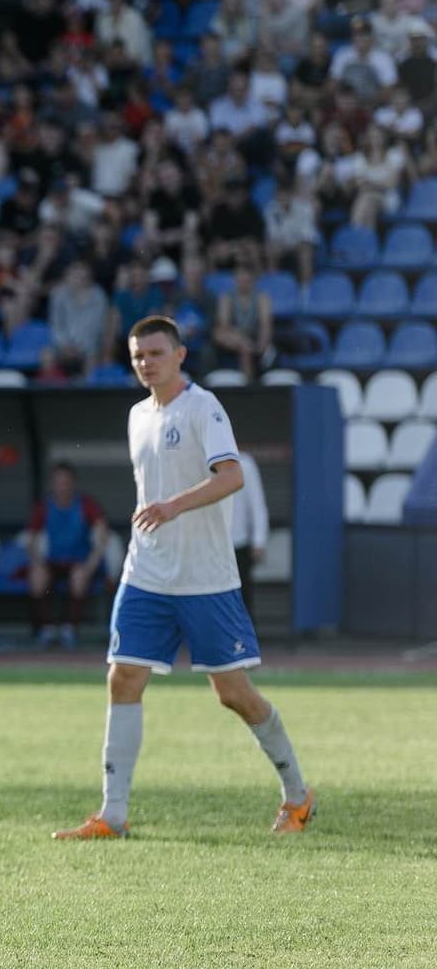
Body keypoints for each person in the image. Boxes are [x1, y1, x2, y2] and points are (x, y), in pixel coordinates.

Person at [54, 317, 314, 840]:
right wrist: (158, 517)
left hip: (205, 578)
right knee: (123, 677)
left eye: (155, 353)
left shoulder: (204, 407)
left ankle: (297, 795)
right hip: (146, 572)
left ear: (180, 355)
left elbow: (231, 476)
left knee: (233, 693)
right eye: (137, 356)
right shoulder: (137, 416)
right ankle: (112, 815)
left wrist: (173, 506)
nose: (145, 363)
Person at [27, 462, 110, 649]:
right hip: (52, 562)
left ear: (73, 483)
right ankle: (47, 629)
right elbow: (30, 540)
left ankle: (69, 629)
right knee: (37, 577)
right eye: (58, 482)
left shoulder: (86, 504)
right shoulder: (44, 506)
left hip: (78, 561)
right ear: (52, 484)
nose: (62, 487)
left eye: (66, 482)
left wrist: (90, 565)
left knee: (79, 577)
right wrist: (36, 562)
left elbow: (102, 534)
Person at [230, 449, 269, 621]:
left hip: (239, 543)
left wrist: (259, 541)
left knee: (242, 598)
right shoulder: (200, 462)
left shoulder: (245, 464)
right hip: (210, 546)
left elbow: (257, 504)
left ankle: (244, 635)